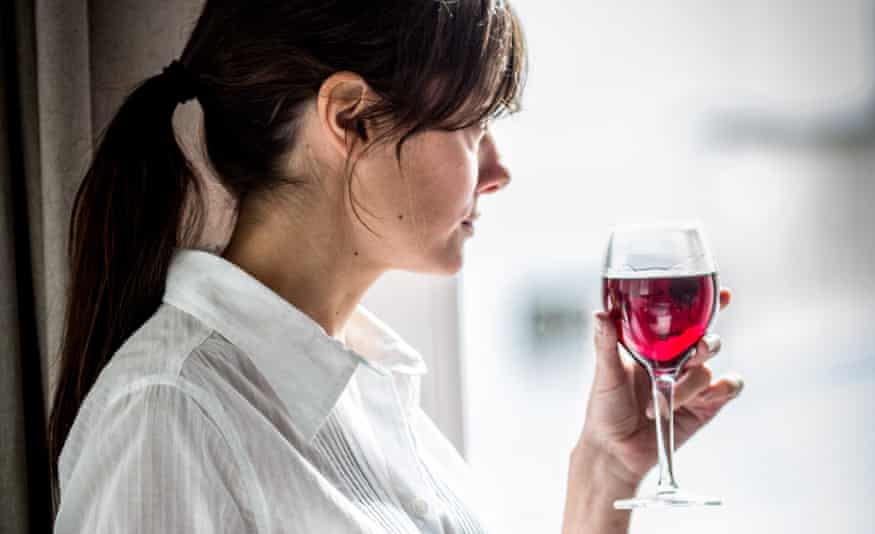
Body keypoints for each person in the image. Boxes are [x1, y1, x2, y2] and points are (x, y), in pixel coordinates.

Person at [46, 1, 744, 533]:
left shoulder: (372, 392)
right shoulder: (170, 417)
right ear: (351, 118)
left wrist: (604, 472)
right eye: (473, 127)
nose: (499, 170)